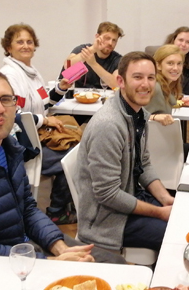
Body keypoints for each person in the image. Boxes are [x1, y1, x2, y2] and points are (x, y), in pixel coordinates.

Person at [0, 69, 125, 263]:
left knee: (116, 263)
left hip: (22, 248)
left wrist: (58, 246)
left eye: (6, 99)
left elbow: (26, 208)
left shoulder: (9, 148)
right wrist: (50, 263)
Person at [74, 51, 175, 252]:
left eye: (150, 78)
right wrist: (160, 212)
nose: (145, 85)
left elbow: (144, 164)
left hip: (128, 199)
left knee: (186, 217)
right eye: (137, 77)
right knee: (177, 237)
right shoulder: (108, 125)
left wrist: (167, 200)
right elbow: (108, 194)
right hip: (106, 222)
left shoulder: (139, 115)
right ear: (120, 81)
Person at [0, 23, 76, 225]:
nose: (26, 46)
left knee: (78, 147)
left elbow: (44, 103)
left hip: (38, 134)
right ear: (8, 47)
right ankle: (58, 211)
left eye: (29, 42)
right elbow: (14, 113)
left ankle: (67, 203)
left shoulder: (32, 73)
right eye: (20, 42)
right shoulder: (9, 75)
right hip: (23, 146)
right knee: (72, 156)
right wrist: (45, 120)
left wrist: (60, 88)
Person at [61, 21, 124, 89]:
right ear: (97, 36)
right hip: (76, 96)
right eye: (107, 38)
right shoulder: (83, 49)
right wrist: (93, 48)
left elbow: (116, 85)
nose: (110, 43)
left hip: (103, 97)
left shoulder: (118, 59)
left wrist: (93, 64)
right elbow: (67, 66)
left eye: (114, 40)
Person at [145, 44, 183, 126]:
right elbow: (134, 116)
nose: (176, 68)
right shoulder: (156, 87)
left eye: (179, 63)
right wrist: (153, 117)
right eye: (170, 63)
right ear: (158, 65)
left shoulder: (168, 85)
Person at [164, 26, 189, 95]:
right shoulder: (161, 57)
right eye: (181, 40)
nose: (183, 44)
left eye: (188, 42)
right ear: (173, 40)